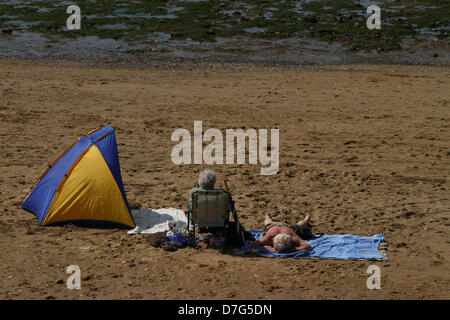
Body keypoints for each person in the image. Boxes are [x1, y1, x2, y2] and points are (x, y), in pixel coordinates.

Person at [247, 213, 313, 253]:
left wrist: (294, 250)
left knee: (300, 226)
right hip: (273, 227)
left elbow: (308, 246)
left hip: (289, 228)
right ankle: (267, 216)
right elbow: (251, 245)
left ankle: (306, 219)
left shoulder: (292, 236)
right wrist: (270, 249)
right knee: (268, 223)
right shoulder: (269, 237)